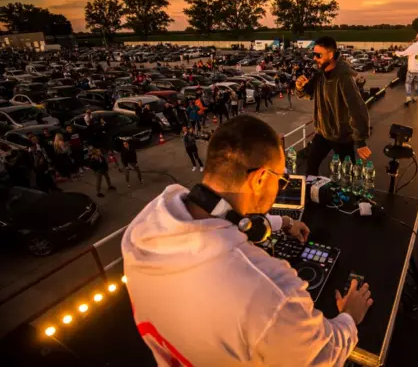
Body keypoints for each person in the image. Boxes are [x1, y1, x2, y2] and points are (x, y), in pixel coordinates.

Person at [122, 116, 371, 366]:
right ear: (261, 179)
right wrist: (350, 316)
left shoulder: (141, 232)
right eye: (281, 181)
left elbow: (225, 219)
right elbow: (322, 356)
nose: (280, 188)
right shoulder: (271, 292)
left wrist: (282, 222)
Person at [295, 36, 371, 176]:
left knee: (348, 173)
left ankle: (351, 195)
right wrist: (299, 87)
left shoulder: (344, 77)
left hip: (341, 136)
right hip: (323, 132)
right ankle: (311, 194)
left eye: (318, 55)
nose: (315, 58)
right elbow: (308, 94)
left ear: (330, 55)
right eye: (314, 54)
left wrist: (360, 140)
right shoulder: (320, 74)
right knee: (311, 165)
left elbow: (357, 108)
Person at [394, 33, 418, 106]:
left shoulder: (413, 46)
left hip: (412, 69)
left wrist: (396, 52)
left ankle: (408, 97)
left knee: (408, 83)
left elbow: (403, 53)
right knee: (417, 82)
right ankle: (416, 97)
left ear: (417, 38)